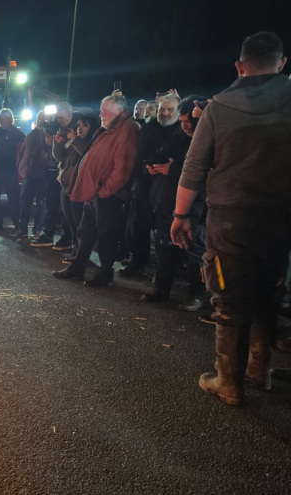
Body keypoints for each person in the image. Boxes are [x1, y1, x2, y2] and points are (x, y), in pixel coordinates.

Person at [171, 32, 291, 405]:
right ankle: (260, 371)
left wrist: (180, 215)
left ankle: (229, 382)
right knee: (268, 292)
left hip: (230, 219)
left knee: (229, 296)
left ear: (240, 66)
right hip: (280, 219)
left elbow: (193, 168)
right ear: (281, 62)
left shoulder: (219, 107)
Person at [54, 94, 139, 287]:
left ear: (119, 110)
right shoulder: (108, 129)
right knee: (85, 232)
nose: (101, 114)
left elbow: (123, 168)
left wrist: (104, 191)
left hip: (108, 195)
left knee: (106, 236)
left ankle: (105, 273)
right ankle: (77, 267)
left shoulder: (127, 129)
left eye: (105, 110)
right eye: (101, 110)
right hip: (96, 194)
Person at [141, 95, 206, 311]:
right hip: (165, 201)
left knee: (192, 252)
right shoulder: (178, 137)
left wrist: (174, 170)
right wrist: (153, 168)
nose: (186, 125)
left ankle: (196, 294)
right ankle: (161, 289)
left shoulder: (208, 141)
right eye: (183, 121)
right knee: (164, 248)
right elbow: (163, 157)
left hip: (194, 210)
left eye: (190, 121)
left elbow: (206, 176)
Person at [120, 89, 184, 277]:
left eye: (169, 110)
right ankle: (137, 261)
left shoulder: (183, 130)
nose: (164, 113)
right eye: (162, 109)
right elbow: (137, 154)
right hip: (145, 183)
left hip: (170, 187)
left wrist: (171, 168)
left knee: (166, 232)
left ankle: (167, 270)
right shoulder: (149, 127)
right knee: (137, 226)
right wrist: (144, 169)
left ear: (178, 111)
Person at [53, 114, 100, 263]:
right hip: (66, 185)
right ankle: (76, 252)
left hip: (78, 188)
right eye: (78, 125)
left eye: (83, 125)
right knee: (71, 222)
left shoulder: (91, 143)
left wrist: (75, 139)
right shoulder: (74, 142)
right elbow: (60, 157)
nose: (79, 128)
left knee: (79, 223)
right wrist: (58, 143)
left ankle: (81, 255)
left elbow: (87, 157)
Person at [38, 102, 76, 249]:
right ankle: (48, 234)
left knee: (66, 208)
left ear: (70, 115)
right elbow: (56, 154)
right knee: (51, 204)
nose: (58, 121)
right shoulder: (56, 128)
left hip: (68, 174)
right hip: (53, 171)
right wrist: (51, 142)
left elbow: (69, 155)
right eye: (57, 117)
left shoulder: (76, 130)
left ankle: (67, 237)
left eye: (61, 117)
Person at [15, 111, 49, 241]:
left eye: (45, 119)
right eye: (40, 119)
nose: (42, 122)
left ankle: (37, 231)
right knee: (24, 202)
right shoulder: (31, 135)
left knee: (41, 204)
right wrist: (20, 166)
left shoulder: (49, 136)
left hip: (42, 175)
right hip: (28, 174)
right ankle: (23, 229)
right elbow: (22, 151)